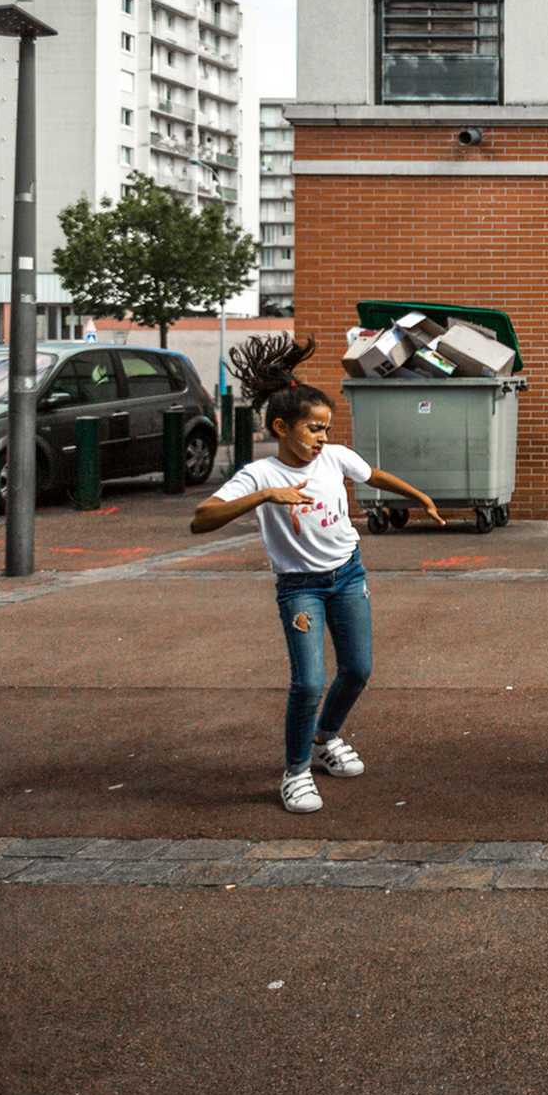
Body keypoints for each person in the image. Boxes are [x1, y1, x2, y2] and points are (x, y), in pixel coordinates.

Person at [190, 334, 446, 815]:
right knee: (308, 682)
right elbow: (201, 519)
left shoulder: (334, 457)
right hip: (300, 588)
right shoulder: (259, 475)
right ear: (281, 427)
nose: (322, 438)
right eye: (313, 429)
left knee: (358, 670)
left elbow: (372, 474)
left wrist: (420, 496)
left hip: (347, 575)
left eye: (326, 429)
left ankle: (326, 738)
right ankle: (296, 771)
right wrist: (265, 497)